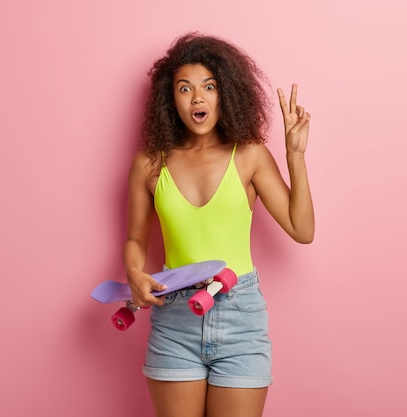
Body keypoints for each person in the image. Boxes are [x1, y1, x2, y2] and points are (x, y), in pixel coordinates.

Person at [122, 32, 315, 417]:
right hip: (174, 314)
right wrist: (133, 273)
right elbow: (135, 239)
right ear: (170, 99)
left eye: (209, 87)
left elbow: (302, 229)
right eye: (185, 88)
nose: (198, 97)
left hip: (239, 314)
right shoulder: (149, 163)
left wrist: (296, 155)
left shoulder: (249, 156)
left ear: (224, 93)